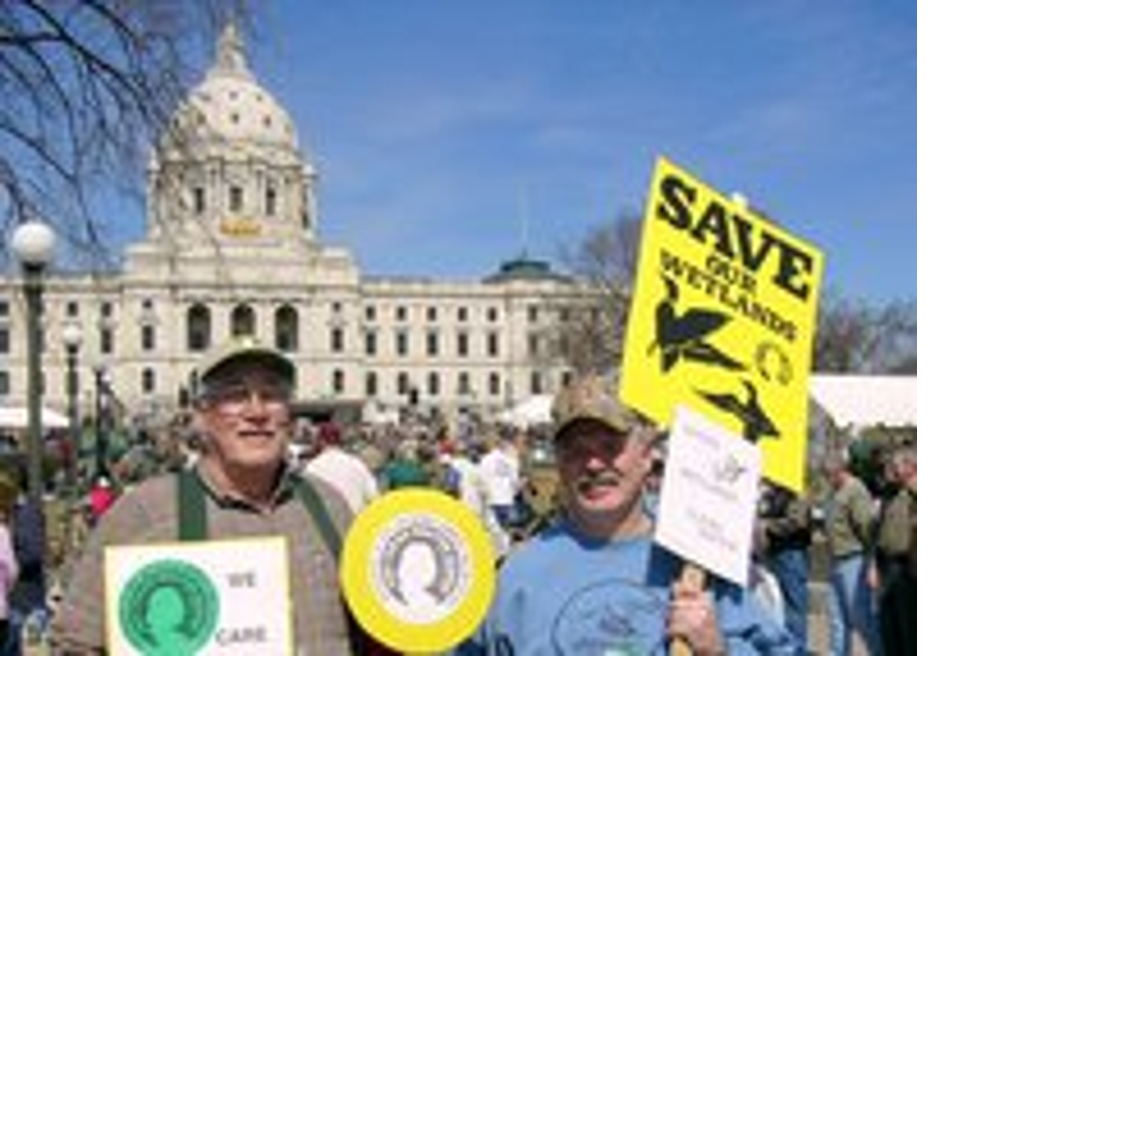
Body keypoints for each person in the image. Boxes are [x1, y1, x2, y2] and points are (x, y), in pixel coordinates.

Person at [51, 337, 367, 655]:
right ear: (203, 415)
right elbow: (76, 645)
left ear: (289, 413)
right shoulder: (146, 515)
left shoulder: (330, 506)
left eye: (271, 395)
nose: (257, 412)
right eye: (236, 396)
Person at [459, 376, 799, 655]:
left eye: (610, 446)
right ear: (559, 462)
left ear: (647, 455)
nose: (593, 464)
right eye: (577, 450)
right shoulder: (517, 575)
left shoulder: (700, 560)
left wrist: (717, 650)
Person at [822, 449, 881, 656]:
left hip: (853, 560)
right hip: (834, 559)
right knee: (836, 619)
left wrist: (872, 563)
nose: (828, 479)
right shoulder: (833, 491)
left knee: (861, 618)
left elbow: (868, 529)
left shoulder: (856, 491)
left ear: (841, 470)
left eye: (830, 474)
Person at [753, 479, 813, 651]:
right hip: (776, 553)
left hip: (791, 553)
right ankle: (786, 646)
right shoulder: (777, 492)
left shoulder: (798, 490)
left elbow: (798, 521)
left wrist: (768, 525)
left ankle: (798, 650)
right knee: (777, 603)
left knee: (795, 605)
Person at [871, 445, 917, 655]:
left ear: (910, 466)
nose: (891, 469)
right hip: (886, 565)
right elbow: (878, 531)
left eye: (895, 465)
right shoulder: (889, 493)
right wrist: (873, 565)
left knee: (909, 628)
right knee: (888, 626)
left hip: (907, 568)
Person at [302, 421, 379, 515]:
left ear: (321, 441)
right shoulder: (356, 464)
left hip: (329, 521)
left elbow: (307, 503)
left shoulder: (312, 468)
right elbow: (374, 496)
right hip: (357, 520)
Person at [478, 426, 525, 533]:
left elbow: (481, 481)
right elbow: (515, 485)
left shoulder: (485, 459)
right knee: (507, 533)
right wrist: (522, 484)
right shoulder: (512, 460)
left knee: (492, 534)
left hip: (491, 501)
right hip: (506, 501)